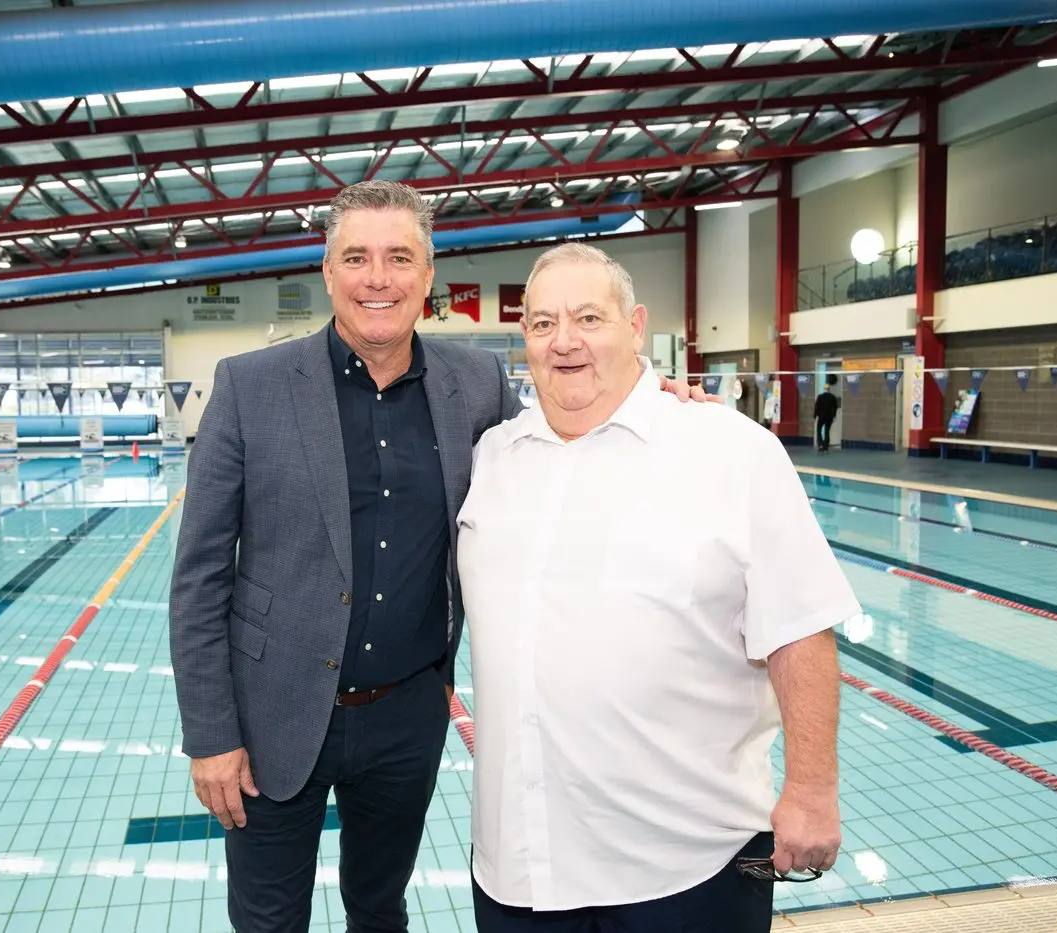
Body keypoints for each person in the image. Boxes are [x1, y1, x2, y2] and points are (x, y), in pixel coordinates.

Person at [168, 180, 713, 933]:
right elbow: (198, 577)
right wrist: (211, 735)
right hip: (273, 718)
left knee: (380, 906)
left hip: (406, 716)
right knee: (267, 921)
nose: (378, 278)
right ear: (328, 272)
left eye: (399, 257)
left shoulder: (473, 382)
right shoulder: (249, 386)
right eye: (356, 257)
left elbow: (558, 443)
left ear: (428, 276)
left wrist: (653, 400)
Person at [456, 243, 861, 933]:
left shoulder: (731, 451)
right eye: (544, 323)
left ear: (636, 325)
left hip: (686, 866)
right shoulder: (492, 456)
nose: (566, 341)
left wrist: (813, 788)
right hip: (520, 867)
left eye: (589, 317)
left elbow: (799, 627)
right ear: (525, 339)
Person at [813, 378, 839, 452]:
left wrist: (815, 416)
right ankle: (826, 445)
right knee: (827, 431)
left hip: (821, 417)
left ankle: (820, 444)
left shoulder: (820, 397)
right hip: (829, 417)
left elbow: (817, 407)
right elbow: (835, 407)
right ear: (829, 389)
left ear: (824, 389)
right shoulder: (833, 397)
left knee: (819, 430)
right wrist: (834, 416)